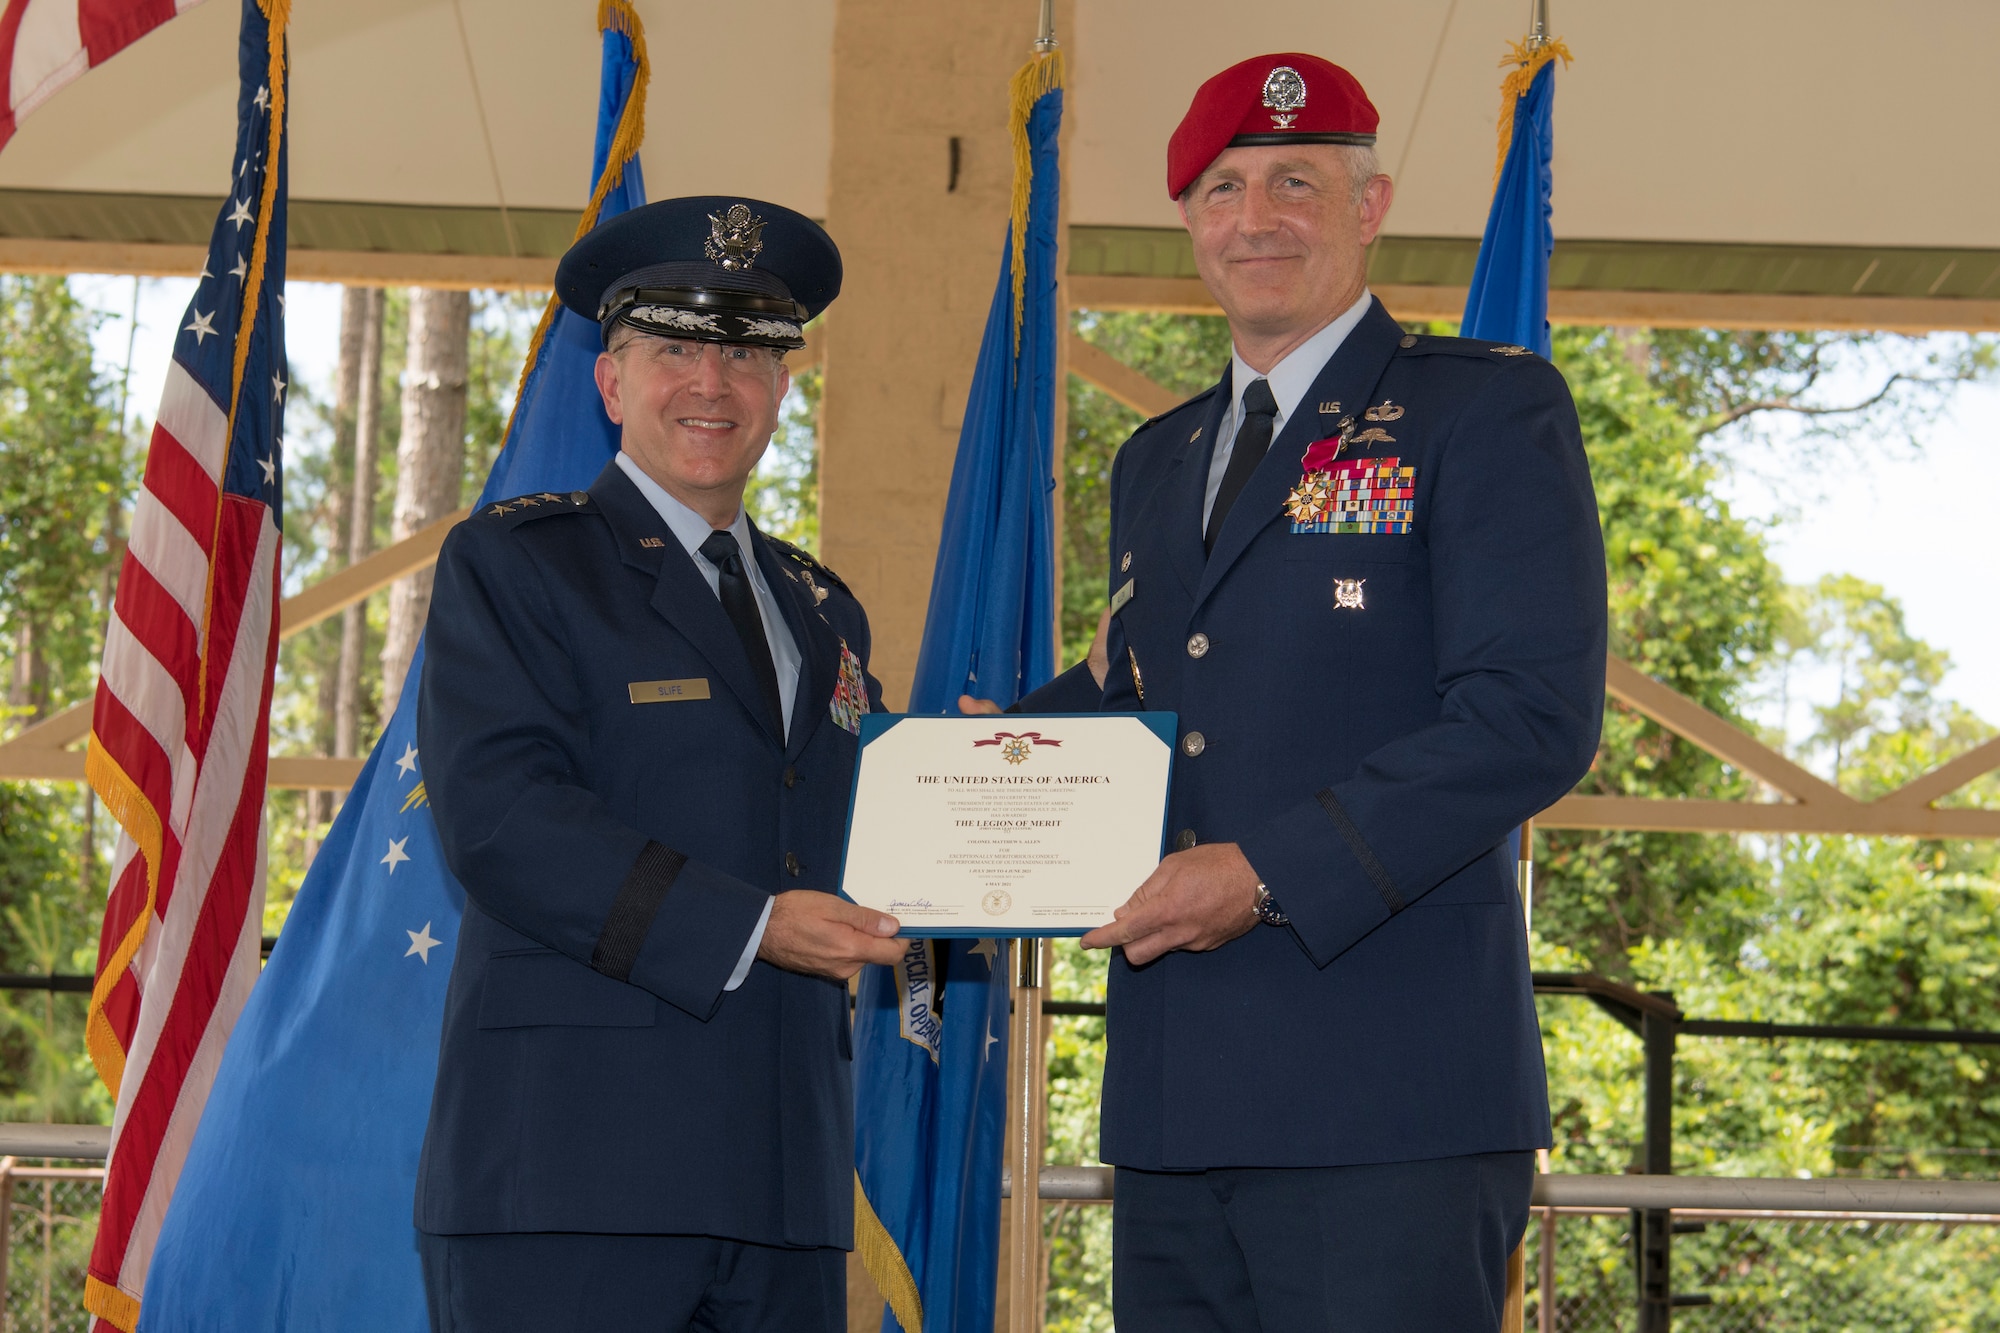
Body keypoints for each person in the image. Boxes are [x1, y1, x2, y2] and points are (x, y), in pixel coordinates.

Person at [989, 53, 1608, 1330]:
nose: (1254, 217)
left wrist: (1265, 871)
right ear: (1188, 226)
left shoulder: (1478, 412)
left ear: (1368, 208)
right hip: (1171, 1101)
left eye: (1294, 181)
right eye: (1220, 188)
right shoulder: (1156, 460)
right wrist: (993, 762)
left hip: (1388, 1099)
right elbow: (1149, 691)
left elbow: (1528, 719)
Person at [413, 196, 906, 1332]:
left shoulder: (821, 609)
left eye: (743, 354)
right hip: (572, 1180)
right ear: (610, 382)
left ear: (783, 386)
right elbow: (501, 820)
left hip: (782, 1182)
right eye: (674, 349)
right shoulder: (515, 565)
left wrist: (1036, 760)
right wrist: (752, 927)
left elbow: (879, 822)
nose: (710, 385)